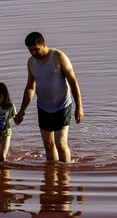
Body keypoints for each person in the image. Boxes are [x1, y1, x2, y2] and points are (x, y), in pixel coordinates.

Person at [15, 32, 84, 163]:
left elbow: (73, 81)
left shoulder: (58, 56)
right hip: (43, 106)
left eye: (36, 49)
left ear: (44, 44)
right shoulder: (31, 62)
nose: (34, 53)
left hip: (62, 105)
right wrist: (22, 110)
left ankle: (64, 178)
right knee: (48, 146)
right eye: (30, 50)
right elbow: (30, 87)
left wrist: (79, 107)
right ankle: (51, 179)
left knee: (61, 144)